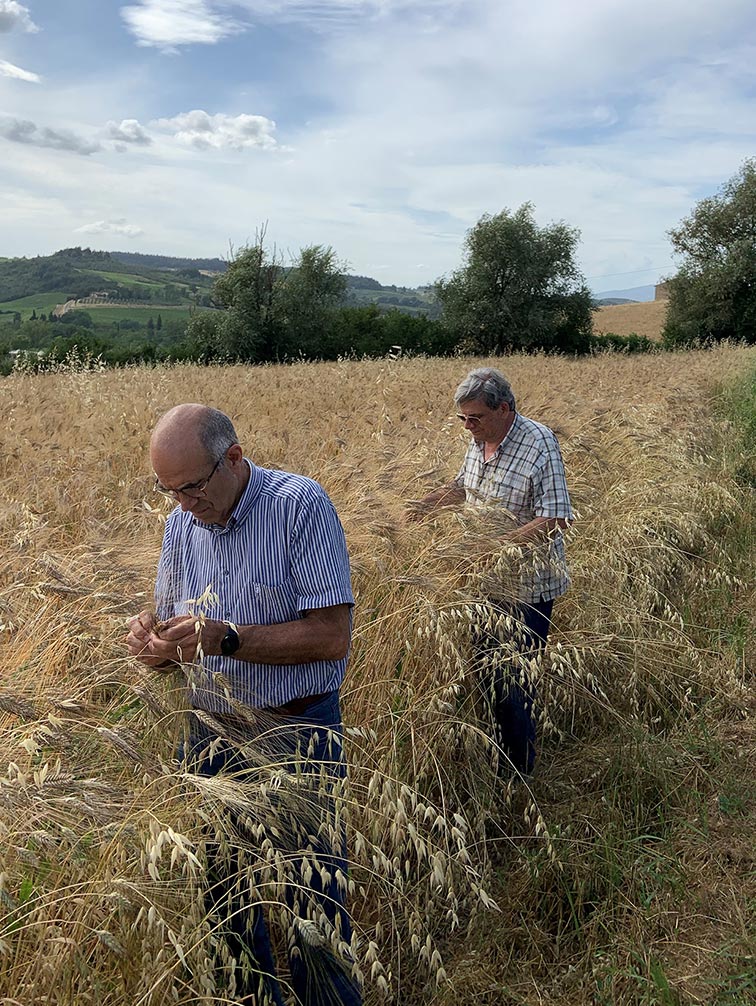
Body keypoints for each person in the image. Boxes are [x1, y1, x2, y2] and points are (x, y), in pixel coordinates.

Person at [126, 403, 361, 1006]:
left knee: (312, 897)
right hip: (208, 732)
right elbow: (178, 619)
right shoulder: (182, 524)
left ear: (232, 458)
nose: (183, 504)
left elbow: (331, 635)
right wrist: (156, 643)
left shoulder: (301, 507)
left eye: (192, 487)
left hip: (293, 729)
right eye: (168, 491)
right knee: (223, 893)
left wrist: (228, 637)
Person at [407, 368, 573, 775]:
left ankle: (520, 775)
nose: (467, 427)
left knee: (513, 683)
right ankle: (507, 758)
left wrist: (493, 549)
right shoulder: (478, 440)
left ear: (504, 408)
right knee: (488, 677)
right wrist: (420, 508)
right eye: (462, 418)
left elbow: (556, 517)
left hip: (527, 588)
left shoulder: (539, 443)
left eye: (475, 417)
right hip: (483, 585)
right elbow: (465, 487)